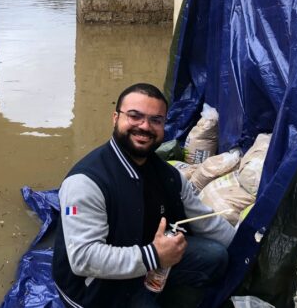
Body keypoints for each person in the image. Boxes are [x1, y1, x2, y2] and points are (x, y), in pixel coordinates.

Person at [52, 83, 235, 308]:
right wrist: (153, 255)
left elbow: (206, 221)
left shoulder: (168, 176)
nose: (145, 126)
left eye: (156, 120)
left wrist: (246, 247)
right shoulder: (85, 182)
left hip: (147, 261)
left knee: (215, 256)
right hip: (96, 288)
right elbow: (83, 258)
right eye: (134, 116)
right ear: (115, 118)